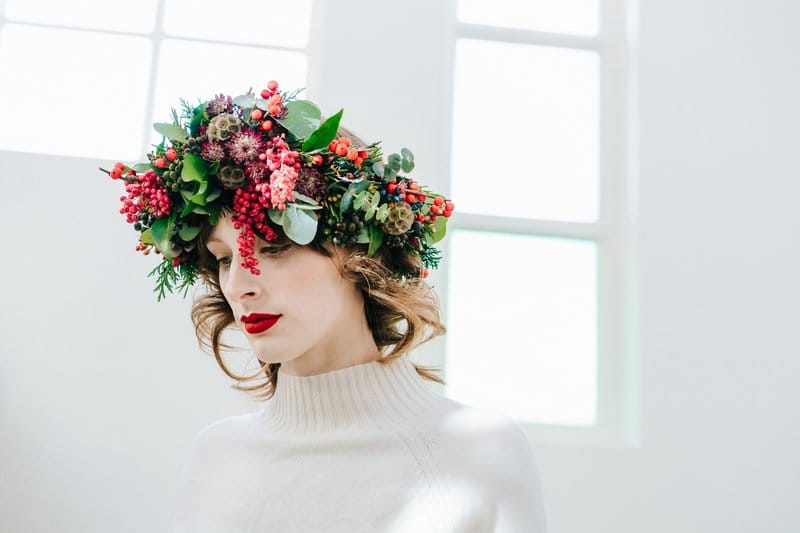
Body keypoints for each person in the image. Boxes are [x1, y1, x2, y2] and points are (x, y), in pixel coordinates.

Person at [100, 81, 547, 531]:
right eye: (223, 258)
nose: (238, 284)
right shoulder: (216, 456)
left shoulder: (480, 450)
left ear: (356, 253)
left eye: (272, 247)